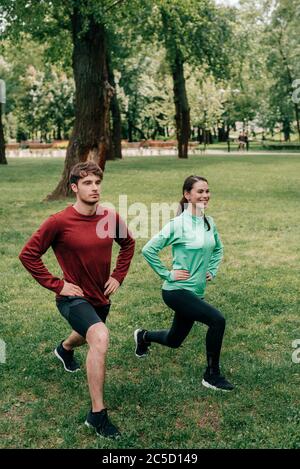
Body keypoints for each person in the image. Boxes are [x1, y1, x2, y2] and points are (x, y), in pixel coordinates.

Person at [19, 161, 135, 438]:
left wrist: (118, 276)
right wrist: (57, 285)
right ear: (74, 187)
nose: (94, 188)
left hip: (100, 296)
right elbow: (28, 255)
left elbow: (128, 244)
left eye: (97, 182)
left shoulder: (109, 217)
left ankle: (64, 349)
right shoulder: (58, 221)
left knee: (85, 336)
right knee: (100, 336)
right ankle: (97, 415)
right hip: (73, 298)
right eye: (87, 183)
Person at [134, 175, 234, 391]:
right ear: (187, 195)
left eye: (207, 191)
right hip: (176, 291)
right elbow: (148, 249)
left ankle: (143, 336)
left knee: (174, 340)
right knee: (217, 320)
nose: (205, 195)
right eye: (200, 191)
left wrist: (212, 269)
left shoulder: (209, 222)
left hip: (196, 292)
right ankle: (211, 375)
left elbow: (218, 248)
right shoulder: (178, 224)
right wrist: (167, 274)